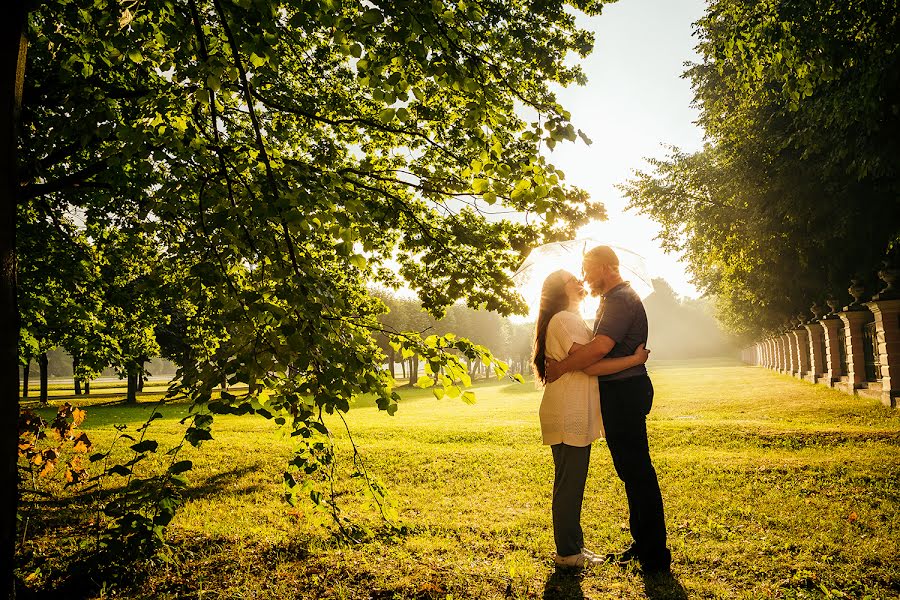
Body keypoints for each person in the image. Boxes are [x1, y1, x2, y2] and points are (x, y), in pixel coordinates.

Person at [546, 245, 671, 574]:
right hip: (622, 392)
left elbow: (597, 351)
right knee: (632, 473)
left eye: (587, 270)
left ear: (604, 267)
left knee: (638, 473)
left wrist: (561, 368)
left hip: (625, 393)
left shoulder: (618, 300)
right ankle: (644, 544)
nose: (585, 277)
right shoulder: (613, 299)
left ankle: (655, 554)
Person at [533, 269, 650, 569]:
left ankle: (573, 547)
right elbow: (591, 360)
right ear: (561, 289)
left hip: (572, 410)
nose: (580, 281)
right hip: (567, 411)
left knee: (570, 482)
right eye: (573, 279)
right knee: (569, 484)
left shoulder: (570, 318)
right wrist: (634, 360)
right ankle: (568, 553)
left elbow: (589, 361)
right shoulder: (563, 319)